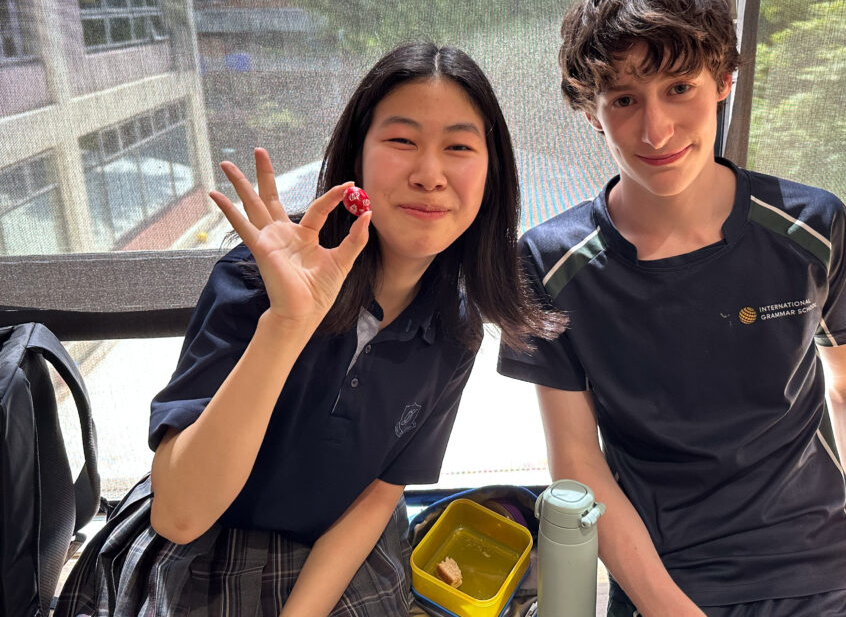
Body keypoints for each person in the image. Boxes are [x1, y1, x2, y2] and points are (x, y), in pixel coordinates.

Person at [498, 0, 846, 617]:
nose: (656, 130)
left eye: (679, 88)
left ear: (724, 80)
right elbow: (576, 463)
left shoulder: (811, 227)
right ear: (591, 111)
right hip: (671, 583)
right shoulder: (549, 264)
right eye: (623, 99)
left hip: (830, 567)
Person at [57, 42, 561, 617]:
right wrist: (287, 324)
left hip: (338, 545)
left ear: (492, 175)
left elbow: (381, 493)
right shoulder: (257, 279)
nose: (429, 174)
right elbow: (180, 515)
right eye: (401, 141)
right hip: (199, 543)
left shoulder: (457, 323)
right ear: (359, 159)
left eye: (460, 147)